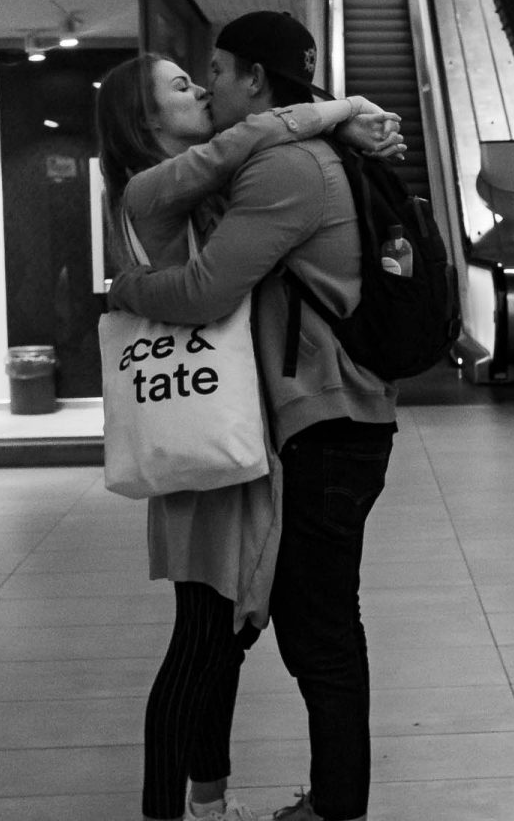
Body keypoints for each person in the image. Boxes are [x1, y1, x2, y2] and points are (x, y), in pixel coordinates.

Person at [98, 52, 402, 821]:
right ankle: (172, 809)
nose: (199, 89)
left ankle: (206, 798)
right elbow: (251, 139)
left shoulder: (201, 189)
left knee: (216, 637)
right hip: (202, 442)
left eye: (203, 76)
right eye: (179, 85)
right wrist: (341, 108)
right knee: (203, 639)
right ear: (145, 122)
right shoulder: (148, 188)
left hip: (225, 438)